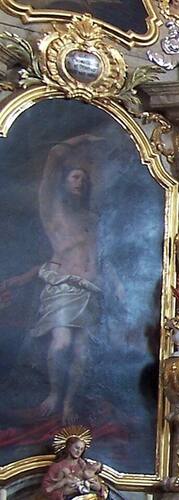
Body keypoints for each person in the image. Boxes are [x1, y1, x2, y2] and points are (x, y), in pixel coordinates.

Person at [0, 136, 111, 423]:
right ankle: (53, 394)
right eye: (75, 177)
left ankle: (69, 404)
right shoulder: (54, 213)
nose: (80, 182)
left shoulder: (92, 218)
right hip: (63, 288)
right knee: (61, 344)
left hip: (90, 290)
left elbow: (98, 256)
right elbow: (52, 159)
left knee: (82, 353)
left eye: (84, 179)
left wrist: (116, 286)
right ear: (64, 182)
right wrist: (82, 139)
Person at [41, 432, 108, 500]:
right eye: (77, 448)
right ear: (69, 447)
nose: (78, 451)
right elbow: (45, 491)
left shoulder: (85, 465)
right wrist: (63, 492)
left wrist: (99, 487)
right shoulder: (57, 466)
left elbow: (99, 483)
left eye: (81, 449)